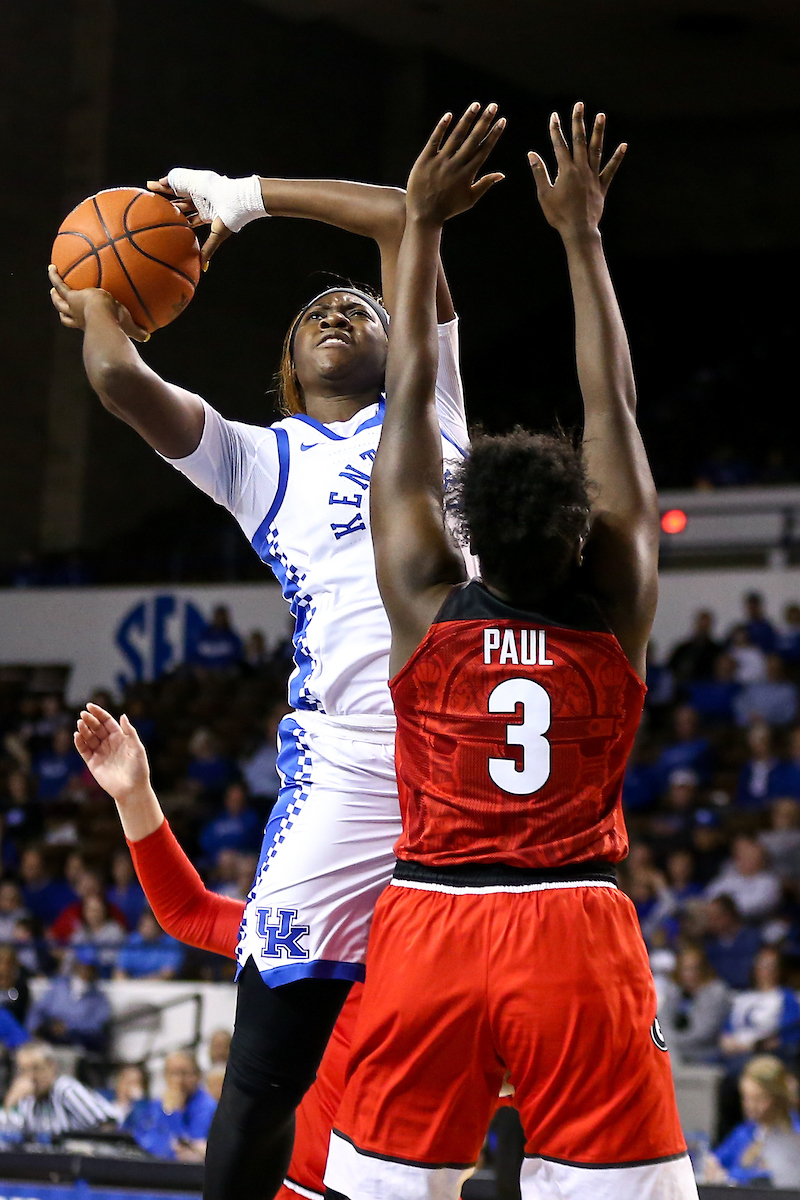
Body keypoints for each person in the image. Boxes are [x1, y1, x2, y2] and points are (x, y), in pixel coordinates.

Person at [52, 163, 472, 1199]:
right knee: (261, 1075)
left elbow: (399, 216)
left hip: (470, 753)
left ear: (397, 343)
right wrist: (103, 297)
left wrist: (240, 196)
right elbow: (116, 379)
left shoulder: (434, 397)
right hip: (352, 766)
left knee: (512, 1039)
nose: (341, 307)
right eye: (316, 312)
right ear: (287, 366)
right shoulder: (255, 459)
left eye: (363, 306)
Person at [325, 103, 696, 1200]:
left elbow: (403, 407)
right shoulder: (612, 610)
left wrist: (421, 229)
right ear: (582, 532)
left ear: (464, 532)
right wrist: (580, 237)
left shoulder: (423, 608)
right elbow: (610, 405)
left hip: (430, 920)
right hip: (571, 926)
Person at [74, 700, 361, 1200]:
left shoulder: (444, 944)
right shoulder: (300, 931)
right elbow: (187, 910)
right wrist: (133, 795)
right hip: (291, 1189)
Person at [703, 1055, 800, 1185]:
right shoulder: (745, 1131)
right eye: (746, 1098)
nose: (750, 1106)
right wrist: (711, 1165)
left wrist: (730, 1177)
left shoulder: (793, 1135)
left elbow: (772, 1178)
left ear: (777, 1098)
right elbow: (715, 1160)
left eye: (758, 1099)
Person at [0, 1041, 117, 1140]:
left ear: (52, 1066)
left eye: (36, 1068)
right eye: (24, 1071)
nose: (30, 1077)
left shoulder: (66, 1089)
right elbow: (9, 1137)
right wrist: (10, 1102)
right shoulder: (27, 1100)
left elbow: (107, 1124)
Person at [124, 1050, 216, 1162]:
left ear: (197, 1076)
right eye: (172, 1073)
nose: (178, 1080)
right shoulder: (159, 1103)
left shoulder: (207, 1106)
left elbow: (190, 1150)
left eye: (184, 1073)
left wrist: (174, 1112)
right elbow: (143, 1137)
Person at [719, 946, 800, 1067]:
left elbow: (789, 1031)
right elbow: (728, 1029)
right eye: (761, 964)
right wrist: (727, 1041)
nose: (765, 970)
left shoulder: (786, 997)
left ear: (779, 969)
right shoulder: (742, 998)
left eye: (770, 965)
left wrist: (757, 1045)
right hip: (735, 1051)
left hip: (766, 1054)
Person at [658, 944, 730, 1065]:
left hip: (704, 1052)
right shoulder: (674, 991)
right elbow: (662, 1022)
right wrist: (668, 1042)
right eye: (685, 969)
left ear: (704, 968)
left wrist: (671, 1042)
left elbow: (704, 1034)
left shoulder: (716, 992)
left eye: (694, 968)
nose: (689, 974)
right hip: (674, 1049)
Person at [26, 951, 112, 1052]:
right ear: (76, 967)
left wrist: (69, 1027)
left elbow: (97, 1026)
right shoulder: (59, 987)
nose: (86, 972)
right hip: (51, 1037)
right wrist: (34, 1030)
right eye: (82, 967)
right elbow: (38, 1010)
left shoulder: (99, 998)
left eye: (90, 969)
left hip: (80, 1043)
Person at [705, 836, 782, 922]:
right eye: (742, 856)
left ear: (761, 860)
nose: (744, 860)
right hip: (721, 923)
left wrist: (725, 907)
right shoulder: (727, 877)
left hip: (755, 925)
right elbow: (710, 895)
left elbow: (758, 906)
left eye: (750, 857)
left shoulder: (769, 881)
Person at [704, 894, 762, 989]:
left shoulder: (753, 939)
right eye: (709, 918)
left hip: (749, 992)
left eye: (714, 917)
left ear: (727, 916)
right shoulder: (708, 943)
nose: (710, 922)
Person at [114, 909, 184, 980]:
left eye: (150, 925)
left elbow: (168, 974)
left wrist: (142, 983)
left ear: (159, 926)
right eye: (144, 925)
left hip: (160, 988)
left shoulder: (170, 944)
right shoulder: (132, 941)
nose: (146, 929)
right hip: (132, 987)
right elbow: (119, 971)